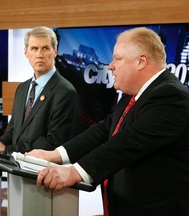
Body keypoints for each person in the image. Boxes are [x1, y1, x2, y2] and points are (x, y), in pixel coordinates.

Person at [27, 27, 189, 216]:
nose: (110, 66)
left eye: (117, 59)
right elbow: (105, 129)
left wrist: (73, 173)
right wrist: (55, 155)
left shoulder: (171, 96)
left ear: (141, 61)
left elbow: (127, 143)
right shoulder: (134, 95)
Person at [0, 26, 79, 153]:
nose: (39, 55)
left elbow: (54, 142)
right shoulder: (22, 88)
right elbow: (12, 132)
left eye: (45, 48)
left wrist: (8, 150)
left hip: (42, 170)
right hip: (14, 168)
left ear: (55, 52)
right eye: (34, 49)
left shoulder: (65, 92)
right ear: (26, 53)